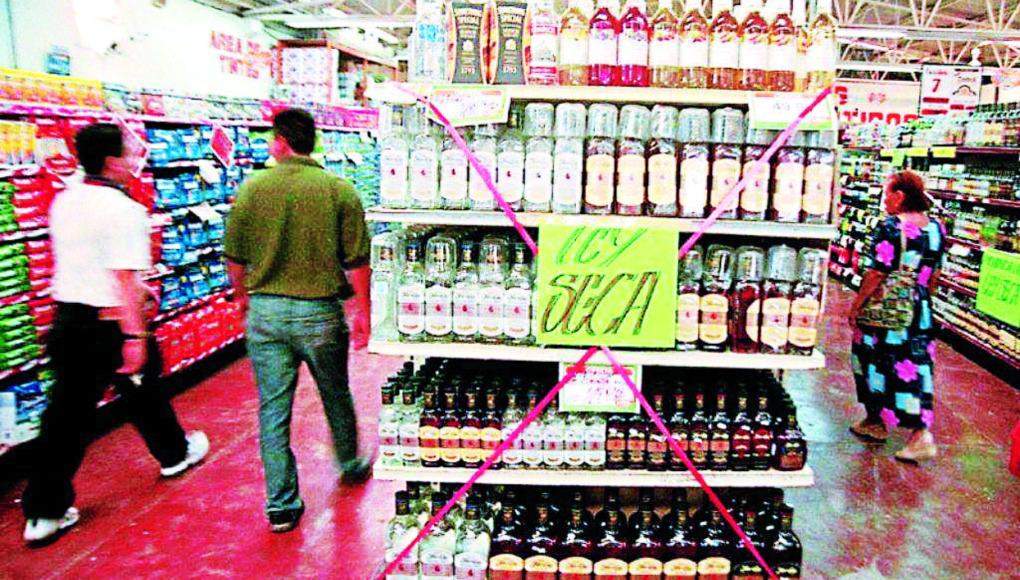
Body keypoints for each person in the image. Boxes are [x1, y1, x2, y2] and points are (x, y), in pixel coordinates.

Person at [22, 124, 209, 545]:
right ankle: (175, 454)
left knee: (65, 419)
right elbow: (122, 278)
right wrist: (134, 337)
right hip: (110, 325)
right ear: (111, 162)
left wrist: (138, 293)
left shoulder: (66, 199)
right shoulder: (124, 210)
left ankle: (43, 514)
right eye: (129, 152)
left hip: (69, 320)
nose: (135, 159)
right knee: (142, 386)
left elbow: (86, 261)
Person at [224, 108, 372, 534]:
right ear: (312, 142)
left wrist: (241, 296)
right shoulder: (339, 190)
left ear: (280, 142)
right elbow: (357, 260)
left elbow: (234, 255)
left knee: (273, 409)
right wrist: (363, 311)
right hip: (320, 313)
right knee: (335, 392)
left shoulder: (253, 188)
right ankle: (349, 463)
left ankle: (282, 505)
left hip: (267, 312)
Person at [848, 170, 944, 464]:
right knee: (915, 366)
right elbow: (935, 274)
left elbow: (876, 272)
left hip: (885, 311)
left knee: (871, 360)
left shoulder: (891, 226)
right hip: (919, 310)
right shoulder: (936, 228)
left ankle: (918, 435)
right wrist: (920, 299)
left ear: (900, 196)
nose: (884, 200)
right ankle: (876, 422)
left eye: (886, 194)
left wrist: (857, 306)